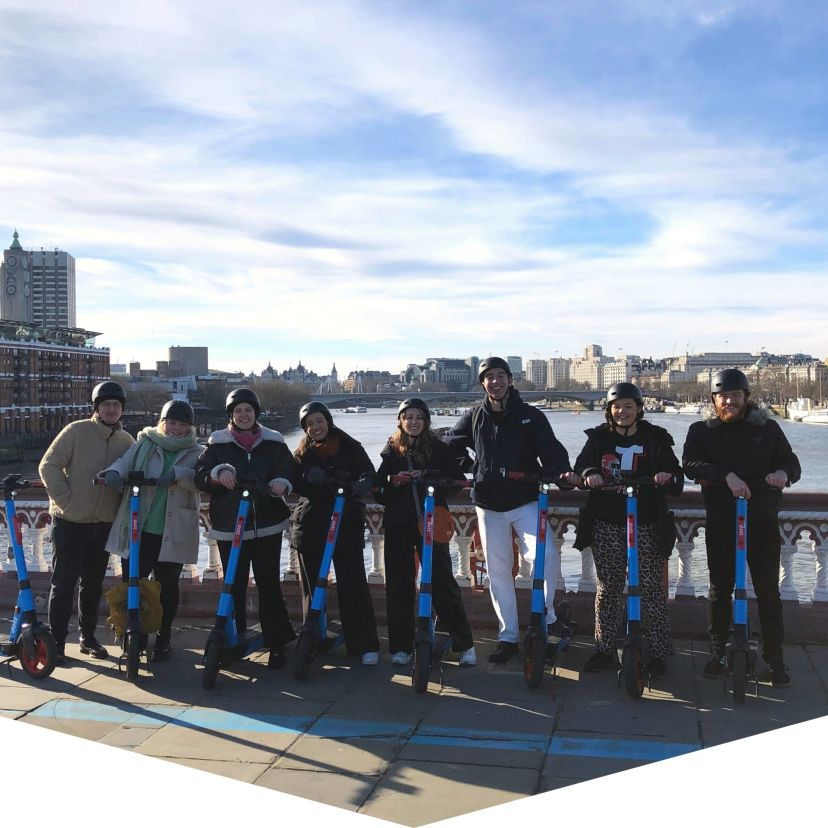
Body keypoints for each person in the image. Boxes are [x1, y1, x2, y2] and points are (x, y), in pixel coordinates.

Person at [444, 357, 574, 663]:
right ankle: (508, 637)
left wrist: (561, 473)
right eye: (489, 377)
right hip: (488, 505)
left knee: (546, 556)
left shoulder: (530, 416)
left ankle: (548, 616)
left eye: (501, 376)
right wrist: (473, 467)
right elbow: (449, 443)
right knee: (498, 572)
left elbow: (552, 451)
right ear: (483, 384)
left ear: (510, 380)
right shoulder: (475, 416)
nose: (495, 381)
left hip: (525, 500)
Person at [682, 368, 801, 687]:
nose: (729, 401)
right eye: (723, 396)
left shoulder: (769, 429)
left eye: (735, 395)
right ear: (714, 400)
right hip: (722, 520)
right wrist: (726, 476)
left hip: (761, 521)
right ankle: (718, 652)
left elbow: (793, 464)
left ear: (746, 398)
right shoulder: (701, 431)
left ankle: (775, 659)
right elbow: (690, 464)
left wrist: (782, 473)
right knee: (720, 590)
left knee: (767, 592)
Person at [573, 382, 683, 678]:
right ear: (609, 410)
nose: (622, 412)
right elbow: (582, 465)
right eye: (616, 407)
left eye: (628, 406)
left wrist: (665, 476)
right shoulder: (598, 438)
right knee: (608, 587)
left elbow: (676, 476)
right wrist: (590, 474)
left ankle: (658, 650)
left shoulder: (656, 438)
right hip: (607, 521)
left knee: (651, 588)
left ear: (639, 409)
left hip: (646, 521)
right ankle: (604, 648)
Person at [194, 388, 297, 669]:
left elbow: (289, 470)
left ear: (256, 414)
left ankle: (276, 642)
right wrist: (219, 472)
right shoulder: (217, 444)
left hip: (266, 523)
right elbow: (200, 477)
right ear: (231, 415)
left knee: (269, 585)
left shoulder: (274, 442)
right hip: (230, 524)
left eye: (248, 411)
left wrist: (281, 483)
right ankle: (234, 637)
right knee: (233, 585)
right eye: (238, 411)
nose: (243, 415)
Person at [39, 380, 135, 665]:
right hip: (69, 521)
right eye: (106, 405)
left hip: (103, 522)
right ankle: (56, 641)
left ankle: (87, 637)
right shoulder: (76, 431)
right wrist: (66, 500)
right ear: (96, 407)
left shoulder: (126, 441)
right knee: (63, 583)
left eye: (116, 406)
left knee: (93, 584)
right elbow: (49, 465)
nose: (111, 410)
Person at [376, 398, 476, 666]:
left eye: (419, 417)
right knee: (399, 583)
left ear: (426, 420)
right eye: (408, 417)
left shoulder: (439, 448)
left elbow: (457, 482)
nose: (414, 421)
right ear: (400, 420)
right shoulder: (392, 448)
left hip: (433, 520)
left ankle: (464, 643)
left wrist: (430, 477)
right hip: (399, 522)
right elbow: (378, 485)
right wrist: (392, 481)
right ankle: (401, 646)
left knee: (442, 580)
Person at [102, 400, 203, 662]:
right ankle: (132, 634)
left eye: (182, 424)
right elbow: (125, 463)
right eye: (172, 422)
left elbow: (203, 481)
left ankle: (164, 638)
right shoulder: (145, 442)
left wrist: (179, 474)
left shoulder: (197, 451)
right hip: (138, 527)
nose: (176, 429)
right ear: (162, 421)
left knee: (167, 586)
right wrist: (113, 473)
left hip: (172, 530)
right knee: (132, 584)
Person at [291, 402, 380, 665]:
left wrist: (362, 482)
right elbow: (293, 480)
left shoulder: (351, 447)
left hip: (346, 523)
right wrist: (308, 476)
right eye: (309, 424)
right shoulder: (302, 453)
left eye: (319, 421)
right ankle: (312, 638)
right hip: (311, 523)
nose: (315, 427)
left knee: (352, 584)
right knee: (311, 587)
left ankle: (363, 643)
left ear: (328, 421)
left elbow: (369, 474)